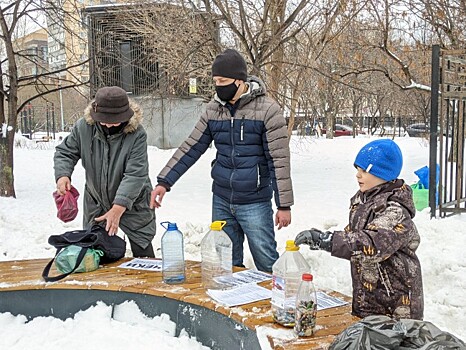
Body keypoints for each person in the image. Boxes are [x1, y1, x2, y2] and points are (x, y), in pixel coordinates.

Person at [150, 48, 293, 272]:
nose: (219, 86)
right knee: (226, 263)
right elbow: (191, 147)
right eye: (216, 81)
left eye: (223, 80)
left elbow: (279, 160)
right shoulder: (213, 110)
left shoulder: (267, 110)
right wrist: (164, 182)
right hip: (222, 199)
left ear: (240, 81)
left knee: (266, 261)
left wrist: (284, 205)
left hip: (254, 201)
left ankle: (271, 302)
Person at [295, 139, 424, 320]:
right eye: (357, 169)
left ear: (384, 174)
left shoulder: (395, 211)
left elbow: (372, 242)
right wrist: (329, 239)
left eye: (364, 171)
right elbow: (353, 236)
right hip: (369, 297)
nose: (358, 175)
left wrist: (326, 240)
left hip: (395, 305)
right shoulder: (362, 201)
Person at [54, 86, 156, 258]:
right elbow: (65, 152)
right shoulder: (83, 127)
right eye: (104, 119)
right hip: (97, 200)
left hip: (133, 201)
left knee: (143, 249)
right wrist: (63, 174)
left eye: (114, 120)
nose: (108, 124)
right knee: (94, 249)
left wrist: (118, 207)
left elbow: (135, 174)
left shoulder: (137, 135)